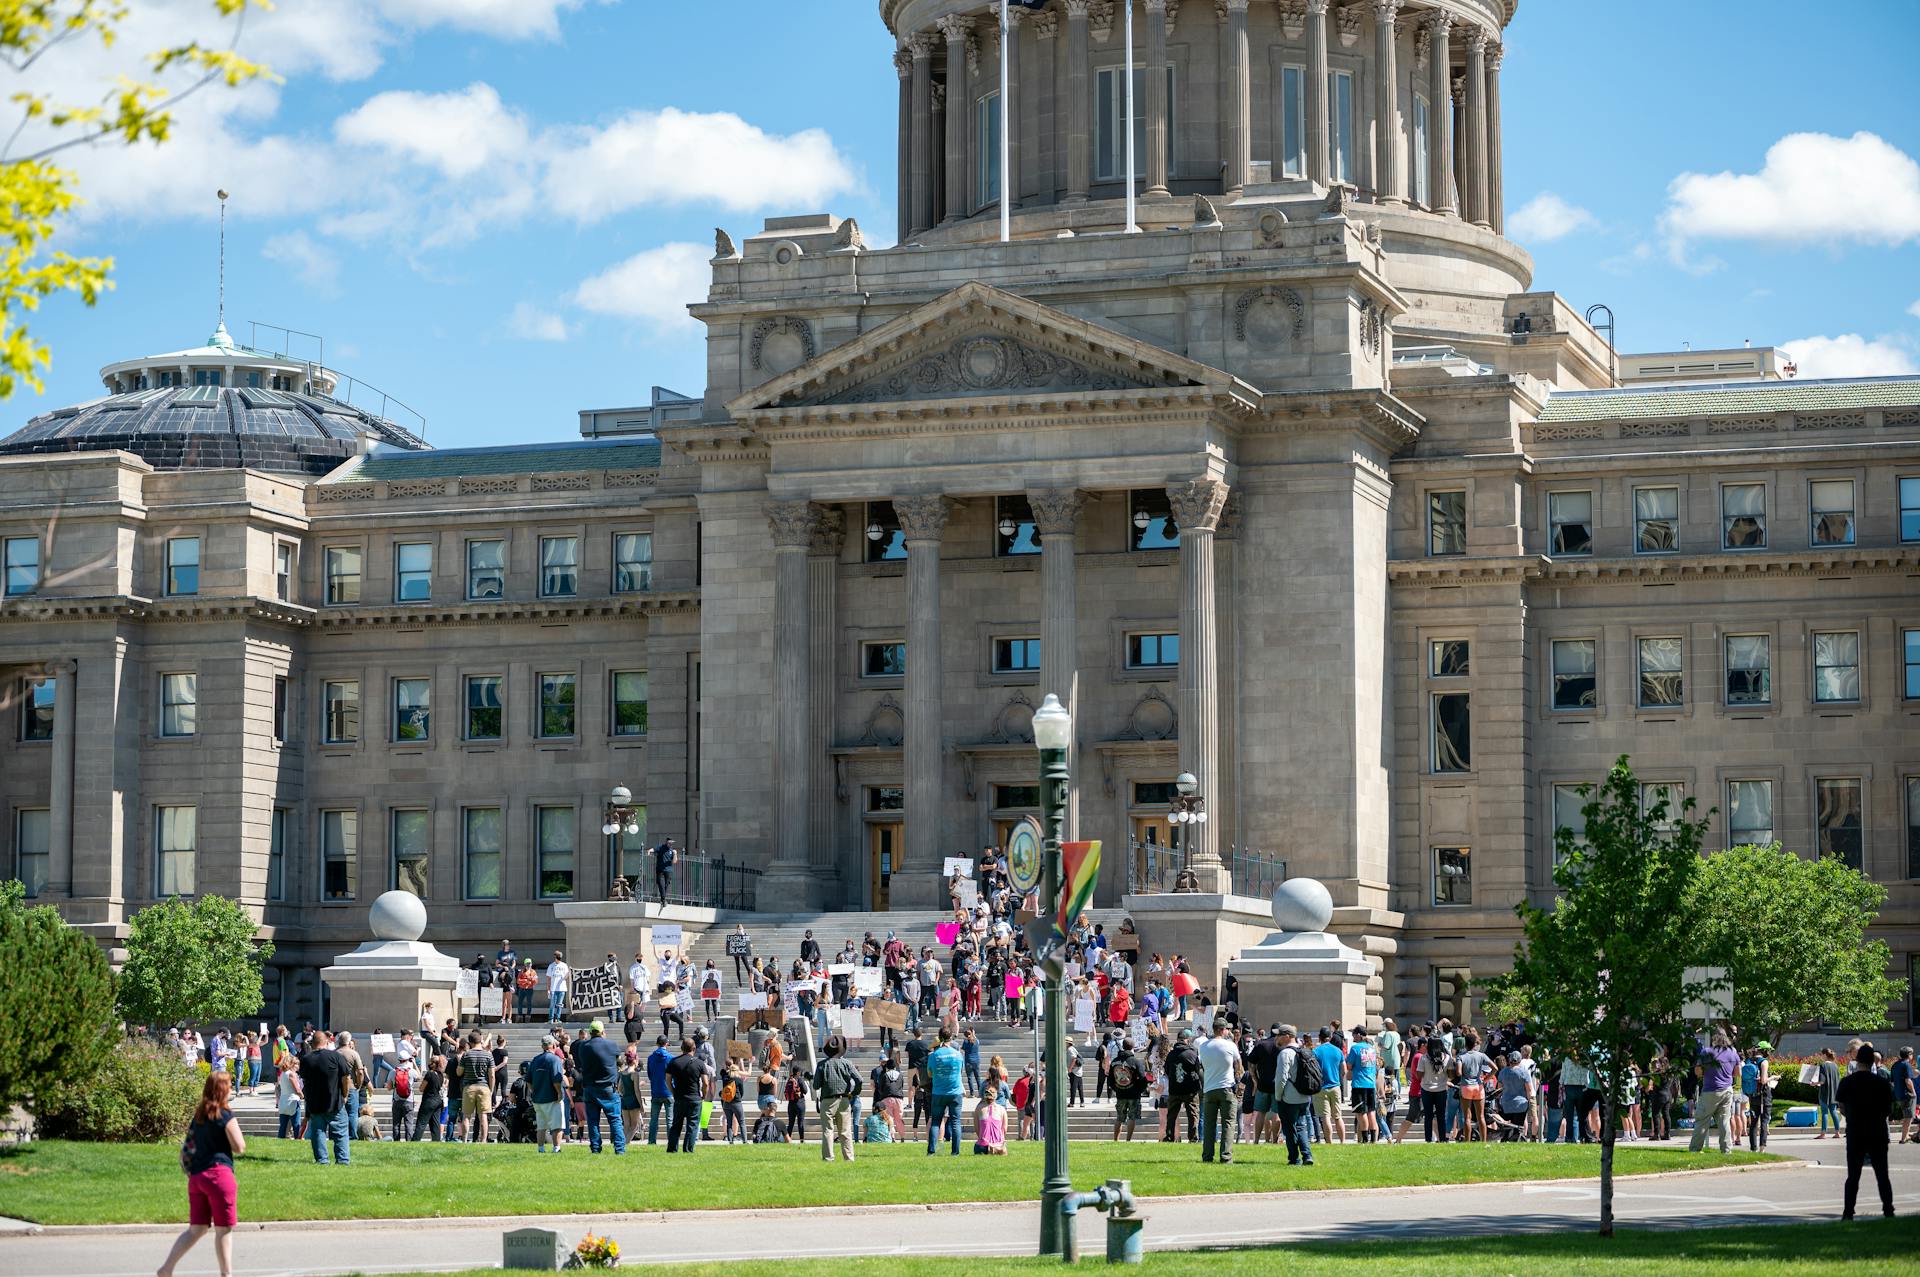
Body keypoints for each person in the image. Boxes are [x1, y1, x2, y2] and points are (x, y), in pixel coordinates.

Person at [157, 1072, 245, 1277]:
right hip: (219, 1176)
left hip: (197, 1177)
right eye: (229, 1085)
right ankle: (226, 1274)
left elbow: (187, 1148)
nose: (231, 1088)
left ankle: (167, 1268)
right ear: (223, 1089)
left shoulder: (199, 1116)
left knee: (196, 1229)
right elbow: (240, 1146)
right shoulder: (225, 1115)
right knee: (223, 1229)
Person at [1835, 1043, 1896, 1220]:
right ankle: (1888, 1209)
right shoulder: (1882, 1083)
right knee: (1882, 1175)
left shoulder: (1847, 1082)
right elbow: (1888, 1110)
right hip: (1877, 1131)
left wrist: (1853, 1116)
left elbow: (1842, 1107)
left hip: (1855, 1132)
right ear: (1873, 1062)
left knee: (1853, 1176)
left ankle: (1848, 1212)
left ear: (1857, 1060)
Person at [571, 1020, 626, 1154]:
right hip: (608, 1088)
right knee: (615, 1119)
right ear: (602, 1031)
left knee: (593, 1121)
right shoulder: (611, 1044)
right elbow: (619, 1061)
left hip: (590, 1088)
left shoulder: (584, 1046)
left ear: (590, 1032)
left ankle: (595, 1148)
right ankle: (619, 1149)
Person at [297, 1030, 351, 1165]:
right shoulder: (335, 1056)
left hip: (315, 1104)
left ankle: (322, 1160)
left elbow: (305, 1082)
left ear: (312, 1043)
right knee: (340, 1133)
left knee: (318, 1133)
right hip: (335, 1102)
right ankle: (342, 1160)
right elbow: (346, 1077)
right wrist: (345, 1094)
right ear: (326, 1041)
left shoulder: (306, 1059)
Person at [1689, 1030, 1742, 1154]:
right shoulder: (1733, 1052)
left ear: (1714, 1038)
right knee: (1724, 1121)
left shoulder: (1707, 1052)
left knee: (1702, 1119)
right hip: (1727, 1090)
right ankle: (1726, 1150)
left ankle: (1695, 1149)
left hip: (1710, 1090)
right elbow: (1738, 1073)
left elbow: (1698, 1071)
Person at [1198, 1019, 1243, 1164]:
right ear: (1223, 1030)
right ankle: (1226, 1156)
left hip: (1209, 1088)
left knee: (1209, 1124)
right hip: (1226, 1087)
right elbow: (1239, 1067)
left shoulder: (1203, 1046)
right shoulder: (1230, 1045)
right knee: (1228, 1123)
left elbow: (1203, 1065)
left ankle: (1207, 1156)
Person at [814, 1034, 861, 1162]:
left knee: (828, 1131)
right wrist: (854, 1093)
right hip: (844, 1099)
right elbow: (859, 1079)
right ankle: (849, 1158)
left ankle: (829, 1158)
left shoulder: (822, 1065)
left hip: (827, 1100)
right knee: (845, 1131)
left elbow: (816, 1085)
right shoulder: (847, 1063)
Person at [1275, 1025, 1316, 1166]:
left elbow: (1281, 1078)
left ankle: (1294, 1158)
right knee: (1301, 1126)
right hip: (1305, 1096)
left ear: (1287, 1036)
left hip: (1289, 1097)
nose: (1277, 1038)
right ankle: (1307, 1155)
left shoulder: (1285, 1054)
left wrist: (1278, 1096)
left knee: (1289, 1128)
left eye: (1279, 1035)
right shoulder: (1303, 1050)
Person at [926, 1027, 965, 1155]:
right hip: (955, 1092)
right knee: (956, 1122)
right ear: (951, 1037)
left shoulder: (934, 1055)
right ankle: (955, 1152)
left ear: (939, 1037)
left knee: (936, 1121)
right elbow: (960, 1071)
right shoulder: (958, 1054)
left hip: (938, 1092)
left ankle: (931, 1151)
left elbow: (930, 1074)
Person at [664, 1038, 705, 1153]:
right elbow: (705, 1082)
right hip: (695, 1097)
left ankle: (672, 1149)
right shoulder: (699, 1063)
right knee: (692, 1125)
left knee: (676, 1124)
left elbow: (667, 1079)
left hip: (680, 1097)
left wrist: (673, 1091)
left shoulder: (673, 1062)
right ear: (694, 1048)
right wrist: (704, 1094)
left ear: (682, 1048)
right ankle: (688, 1149)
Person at [527, 1036, 568, 1152]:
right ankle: (556, 1148)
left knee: (541, 1126)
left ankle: (540, 1148)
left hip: (538, 1099)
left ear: (542, 1046)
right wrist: (559, 1093)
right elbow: (556, 1080)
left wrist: (534, 1091)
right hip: (552, 1098)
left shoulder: (535, 1060)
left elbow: (528, 1080)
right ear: (554, 1045)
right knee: (557, 1125)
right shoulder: (555, 1060)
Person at [1161, 1029, 1201, 1143]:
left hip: (1174, 1089)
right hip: (1190, 1089)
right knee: (1193, 1115)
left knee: (1171, 1115)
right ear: (1187, 1040)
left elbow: (1167, 1071)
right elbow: (1197, 1070)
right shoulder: (1192, 1053)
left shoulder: (1171, 1054)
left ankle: (1169, 1137)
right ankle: (1193, 1138)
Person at [456, 1031, 496, 1144]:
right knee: (483, 1115)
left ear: (470, 1042)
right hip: (483, 1087)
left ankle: (464, 1140)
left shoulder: (466, 1054)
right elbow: (492, 1075)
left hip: (469, 1087)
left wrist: (460, 1063)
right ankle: (483, 1141)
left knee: (467, 1116)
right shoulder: (488, 1055)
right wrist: (491, 1090)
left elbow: (459, 1072)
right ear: (480, 1040)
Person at [1108, 1039, 1149, 1141]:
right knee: (1132, 1117)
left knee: (1119, 1118)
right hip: (1134, 1094)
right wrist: (1140, 1090)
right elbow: (1143, 1078)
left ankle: (1116, 1140)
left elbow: (1110, 1080)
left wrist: (1117, 1089)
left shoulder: (1114, 1061)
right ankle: (1128, 1140)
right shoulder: (1135, 1061)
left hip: (1120, 1093)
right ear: (1132, 1047)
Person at [1346, 1026, 1381, 1144]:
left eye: (1354, 1034)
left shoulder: (1355, 1048)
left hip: (1359, 1084)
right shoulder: (1372, 1048)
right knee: (1371, 1112)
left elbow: (1349, 1065)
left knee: (1361, 1113)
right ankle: (1373, 1139)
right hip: (1371, 1084)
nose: (1353, 1037)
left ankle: (1365, 1139)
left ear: (1359, 1035)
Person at [1312, 1029, 1346, 1144]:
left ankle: (1329, 1142)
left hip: (1321, 1087)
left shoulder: (1316, 1051)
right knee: (1338, 1116)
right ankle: (1342, 1141)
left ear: (1319, 1037)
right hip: (1335, 1086)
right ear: (1330, 1037)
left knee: (1325, 1117)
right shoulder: (1338, 1051)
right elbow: (1344, 1070)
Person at [645, 1035, 673, 1145]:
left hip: (655, 1090)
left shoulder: (651, 1058)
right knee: (670, 1119)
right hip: (668, 1090)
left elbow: (649, 1074)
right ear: (666, 1044)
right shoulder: (670, 1058)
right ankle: (671, 1141)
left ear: (657, 1044)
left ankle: (651, 1141)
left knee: (654, 1119)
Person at [1816, 1046, 1843, 1138]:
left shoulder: (1823, 1065)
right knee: (1834, 1112)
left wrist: (1814, 1083)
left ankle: (1823, 1133)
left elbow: (1822, 1081)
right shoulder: (1835, 1066)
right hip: (1834, 1093)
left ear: (1824, 1055)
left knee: (1825, 1113)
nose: (1820, 1056)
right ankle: (1837, 1132)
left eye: (1821, 1055)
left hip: (1825, 1093)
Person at [1892, 1046, 1917, 1144]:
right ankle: (1903, 1138)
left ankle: (1906, 1135)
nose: (1912, 1056)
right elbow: (1908, 1080)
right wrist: (1914, 1092)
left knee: (1906, 1116)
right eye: (1912, 1054)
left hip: (1898, 1094)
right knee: (1908, 1117)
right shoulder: (1906, 1065)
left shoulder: (1895, 1065)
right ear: (1909, 1055)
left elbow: (1893, 1082)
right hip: (1907, 1095)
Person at [973, 1089, 1008, 1154]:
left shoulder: (978, 1109)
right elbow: (1004, 1129)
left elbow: (977, 1128)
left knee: (979, 1145)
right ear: (996, 1096)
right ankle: (996, 1148)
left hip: (982, 1146)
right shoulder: (1002, 1109)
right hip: (998, 1146)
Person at [545, 950, 571, 1024]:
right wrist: (548, 989)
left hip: (562, 988)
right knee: (552, 1004)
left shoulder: (564, 965)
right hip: (553, 988)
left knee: (559, 1004)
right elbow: (548, 978)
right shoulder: (551, 966)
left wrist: (568, 972)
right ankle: (551, 1019)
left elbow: (566, 977)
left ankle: (558, 1018)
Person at [653, 837, 678, 905]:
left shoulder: (671, 851)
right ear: (667, 842)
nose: (671, 844)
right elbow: (654, 849)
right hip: (660, 869)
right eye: (670, 843)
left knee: (666, 885)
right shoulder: (661, 847)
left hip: (668, 870)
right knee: (661, 884)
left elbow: (674, 861)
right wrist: (649, 851)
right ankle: (663, 900)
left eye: (672, 843)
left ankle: (663, 899)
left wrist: (675, 854)